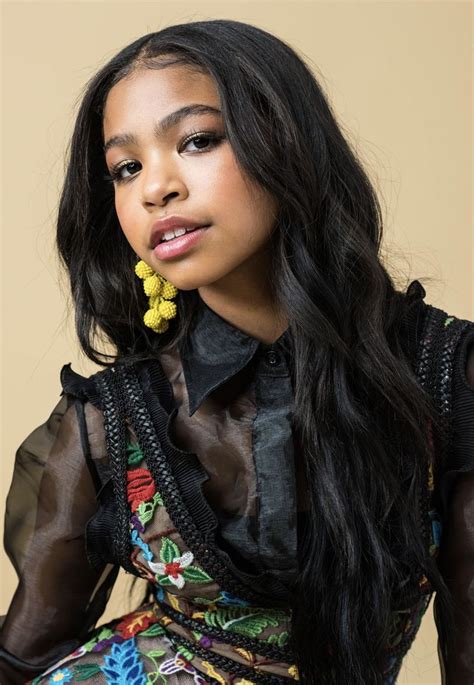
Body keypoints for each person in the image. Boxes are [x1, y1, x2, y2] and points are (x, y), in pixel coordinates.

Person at [0, 18, 472, 685]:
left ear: (288, 140)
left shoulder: (444, 371)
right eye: (124, 168)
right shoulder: (112, 421)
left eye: (195, 140)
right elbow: (25, 651)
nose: (153, 187)